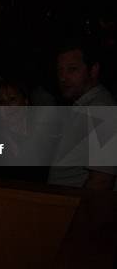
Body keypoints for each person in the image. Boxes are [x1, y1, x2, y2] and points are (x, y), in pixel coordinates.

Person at [48, 40, 117, 190]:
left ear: (93, 70)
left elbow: (102, 180)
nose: (63, 77)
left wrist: (79, 211)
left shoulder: (102, 109)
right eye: (60, 70)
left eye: (72, 69)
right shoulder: (83, 105)